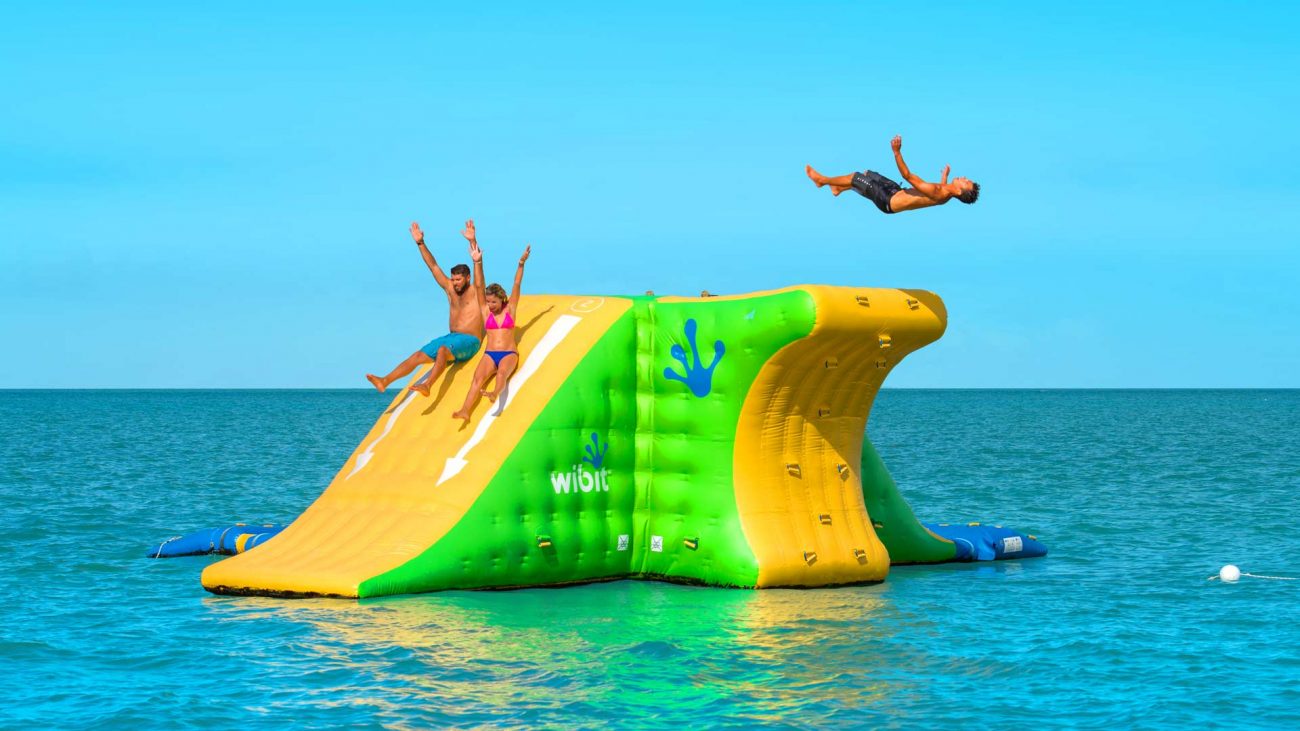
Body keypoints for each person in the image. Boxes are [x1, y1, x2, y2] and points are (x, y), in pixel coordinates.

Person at [365, 220, 485, 396]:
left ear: (467, 278)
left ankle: (428, 385)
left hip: (470, 341)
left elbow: (480, 278)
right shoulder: (450, 289)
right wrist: (420, 243)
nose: (455, 283)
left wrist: (475, 250)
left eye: (458, 280)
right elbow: (434, 266)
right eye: (453, 279)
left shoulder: (476, 291)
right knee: (418, 356)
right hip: (451, 338)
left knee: (443, 350)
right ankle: (385, 381)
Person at [451, 243, 532, 424]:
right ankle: (465, 410)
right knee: (477, 379)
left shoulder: (510, 309)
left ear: (501, 299)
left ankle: (495, 393)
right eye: (488, 302)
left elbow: (517, 283)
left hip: (508, 353)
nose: (490, 305)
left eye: (493, 302)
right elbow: (479, 286)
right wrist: (478, 262)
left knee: (502, 373)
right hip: (489, 353)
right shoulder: (486, 311)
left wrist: (521, 263)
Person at [805, 135, 979, 214]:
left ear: (959, 191)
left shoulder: (939, 191)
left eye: (966, 182)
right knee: (868, 174)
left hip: (887, 199)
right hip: (895, 191)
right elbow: (938, 195)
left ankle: (822, 180)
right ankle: (837, 189)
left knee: (855, 177)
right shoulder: (945, 192)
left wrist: (896, 152)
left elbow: (908, 176)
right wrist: (945, 177)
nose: (965, 178)